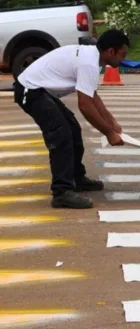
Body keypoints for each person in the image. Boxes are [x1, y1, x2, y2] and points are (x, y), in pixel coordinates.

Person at [13, 29, 128, 209]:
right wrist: (108, 133)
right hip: (30, 90)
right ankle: (62, 192)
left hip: (41, 91)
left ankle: (76, 177)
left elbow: (92, 96)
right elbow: (85, 106)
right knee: (61, 135)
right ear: (111, 51)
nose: (123, 59)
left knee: (72, 128)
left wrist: (111, 121)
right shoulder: (89, 63)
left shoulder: (92, 57)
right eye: (122, 54)